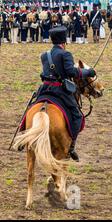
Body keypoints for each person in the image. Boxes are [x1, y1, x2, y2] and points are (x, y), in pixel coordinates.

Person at [37, 26, 96, 161]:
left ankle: (23, 132)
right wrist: (88, 72)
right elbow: (72, 72)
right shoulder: (65, 54)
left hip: (45, 89)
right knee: (77, 117)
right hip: (59, 90)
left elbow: (44, 73)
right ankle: (71, 147)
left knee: (30, 107)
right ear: (64, 42)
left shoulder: (44, 55)